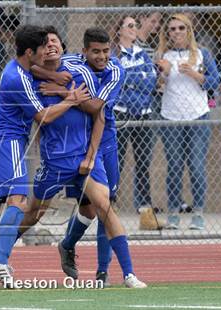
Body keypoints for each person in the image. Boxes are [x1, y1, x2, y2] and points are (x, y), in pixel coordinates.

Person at [0, 25, 91, 288]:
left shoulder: (21, 68)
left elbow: (38, 72)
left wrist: (56, 81)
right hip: (8, 144)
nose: (48, 51)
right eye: (43, 47)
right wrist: (71, 101)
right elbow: (42, 117)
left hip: (0, 145)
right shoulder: (16, 78)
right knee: (19, 202)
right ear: (31, 51)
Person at [10, 26, 147, 288]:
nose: (101, 57)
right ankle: (3, 253)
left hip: (101, 144)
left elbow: (97, 109)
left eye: (106, 51)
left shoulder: (115, 70)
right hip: (62, 153)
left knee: (103, 205)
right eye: (95, 52)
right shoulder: (69, 63)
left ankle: (106, 273)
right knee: (56, 210)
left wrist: (64, 92)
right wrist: (51, 75)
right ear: (83, 52)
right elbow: (37, 67)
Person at [156, 14, 220, 230]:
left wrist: (195, 74)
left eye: (181, 28)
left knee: (196, 165)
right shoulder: (163, 54)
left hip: (198, 115)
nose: (176, 32)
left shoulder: (202, 54)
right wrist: (162, 75)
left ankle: (198, 213)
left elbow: (215, 81)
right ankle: (173, 212)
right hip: (171, 116)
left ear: (189, 30)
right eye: (172, 29)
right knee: (174, 166)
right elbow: (155, 87)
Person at [112, 16, 157, 215]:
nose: (134, 29)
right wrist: (138, 78)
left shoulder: (142, 53)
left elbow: (152, 81)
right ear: (119, 30)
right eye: (130, 26)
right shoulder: (114, 54)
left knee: (143, 160)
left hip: (143, 113)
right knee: (117, 159)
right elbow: (117, 81)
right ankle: (111, 199)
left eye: (135, 26)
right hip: (121, 113)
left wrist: (131, 80)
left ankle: (144, 205)